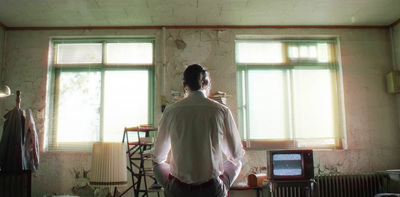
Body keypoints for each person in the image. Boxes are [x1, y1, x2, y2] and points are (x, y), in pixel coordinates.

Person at [152, 64, 245, 197]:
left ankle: (172, 189)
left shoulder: (171, 111)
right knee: (236, 163)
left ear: (185, 85)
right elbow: (235, 155)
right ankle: (221, 189)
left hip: (180, 190)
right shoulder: (221, 110)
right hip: (211, 190)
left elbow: (159, 156)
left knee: (157, 165)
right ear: (206, 83)